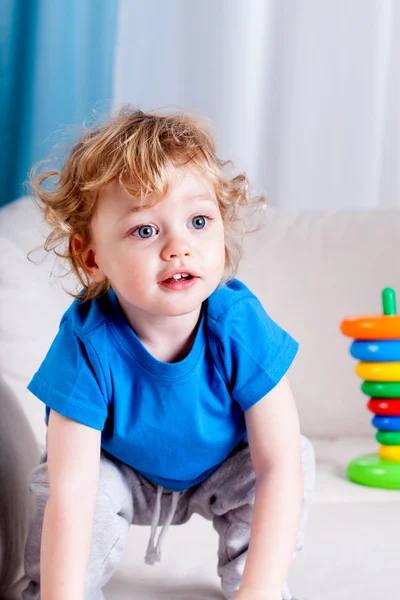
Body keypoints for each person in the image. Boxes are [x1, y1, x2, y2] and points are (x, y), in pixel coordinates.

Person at [23, 107, 315, 600]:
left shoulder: (237, 324)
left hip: (220, 469)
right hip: (121, 473)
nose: (179, 247)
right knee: (60, 489)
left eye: (198, 221)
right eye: (144, 230)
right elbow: (73, 491)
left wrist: (258, 591)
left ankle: (253, 585)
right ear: (92, 258)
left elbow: (278, 463)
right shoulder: (87, 343)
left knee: (299, 458)